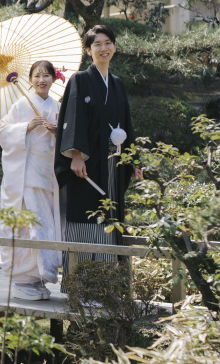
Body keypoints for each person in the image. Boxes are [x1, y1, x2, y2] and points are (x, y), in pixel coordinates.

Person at [54, 25, 142, 274]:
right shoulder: (79, 80)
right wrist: (76, 156)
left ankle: (108, 279)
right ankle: (79, 282)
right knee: (86, 215)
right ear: (88, 50)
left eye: (108, 43)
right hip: (87, 165)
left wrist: (134, 160)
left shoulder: (117, 84)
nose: (104, 48)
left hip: (113, 163)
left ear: (114, 46)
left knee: (112, 212)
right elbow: (73, 118)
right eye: (97, 44)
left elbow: (126, 123)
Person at [0, 60, 64, 301]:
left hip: (48, 173)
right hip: (24, 174)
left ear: (54, 79)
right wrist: (25, 127)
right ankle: (23, 278)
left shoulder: (58, 106)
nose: (41, 80)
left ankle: (39, 276)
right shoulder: (21, 104)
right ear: (30, 79)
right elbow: (2, 132)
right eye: (36, 75)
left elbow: (66, 141)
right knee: (28, 227)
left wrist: (58, 132)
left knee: (45, 224)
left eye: (46, 75)